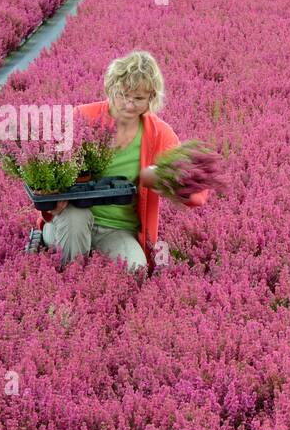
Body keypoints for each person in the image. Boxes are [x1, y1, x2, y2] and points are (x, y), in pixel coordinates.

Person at [40, 51, 208, 273]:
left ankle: (89, 258)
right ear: (111, 89)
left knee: (135, 270)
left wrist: (170, 182)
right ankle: (70, 282)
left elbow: (198, 192)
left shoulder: (159, 134)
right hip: (72, 217)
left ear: (151, 99)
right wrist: (54, 195)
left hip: (119, 228)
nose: (129, 105)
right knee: (75, 223)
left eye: (138, 99)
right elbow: (44, 169)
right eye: (122, 95)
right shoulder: (83, 118)